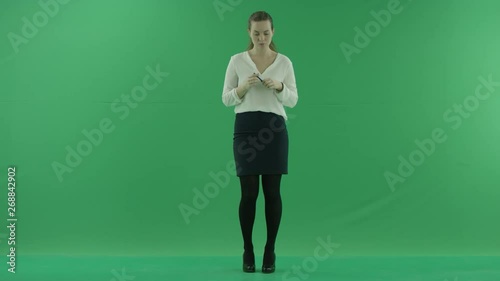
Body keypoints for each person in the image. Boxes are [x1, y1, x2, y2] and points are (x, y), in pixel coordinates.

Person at [221, 10, 298, 274]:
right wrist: (242, 88)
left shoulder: (284, 62)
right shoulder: (237, 61)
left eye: (266, 33)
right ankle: (247, 249)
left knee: (273, 193)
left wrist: (279, 87)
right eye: (256, 33)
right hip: (246, 128)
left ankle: (270, 249)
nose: (261, 38)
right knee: (248, 194)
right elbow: (226, 98)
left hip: (275, 129)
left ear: (273, 32)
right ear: (249, 33)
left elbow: (293, 99)